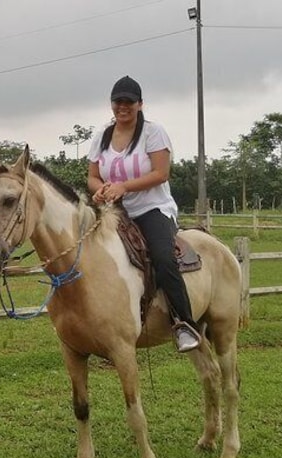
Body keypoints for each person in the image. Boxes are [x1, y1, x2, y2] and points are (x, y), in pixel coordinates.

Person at [87, 75, 201, 353]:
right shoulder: (102, 135)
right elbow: (91, 176)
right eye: (118, 101)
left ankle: (184, 323)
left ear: (140, 104)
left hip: (152, 209)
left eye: (129, 101)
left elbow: (161, 173)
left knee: (163, 258)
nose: (123, 106)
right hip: (114, 211)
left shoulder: (153, 132)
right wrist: (101, 190)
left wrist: (124, 186)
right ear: (111, 104)